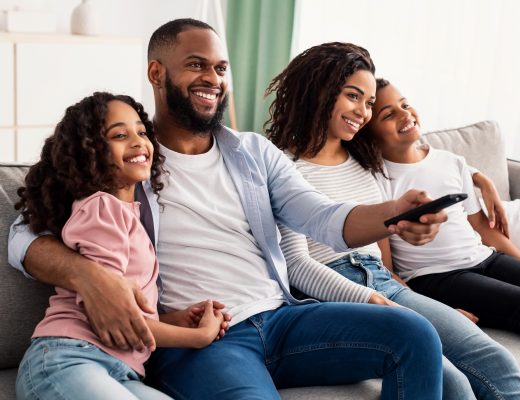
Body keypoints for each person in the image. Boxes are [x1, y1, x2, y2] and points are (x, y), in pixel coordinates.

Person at [8, 19, 450, 399]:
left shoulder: (253, 152)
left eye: (221, 68)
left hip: (283, 318)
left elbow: (323, 217)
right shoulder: (122, 163)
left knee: (414, 335)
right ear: (156, 72)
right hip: (206, 342)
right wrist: (91, 277)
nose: (213, 79)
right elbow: (24, 235)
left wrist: (394, 214)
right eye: (197, 65)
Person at [265, 41, 520, 400]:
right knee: (452, 384)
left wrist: (478, 177)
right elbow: (296, 266)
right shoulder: (283, 167)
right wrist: (375, 300)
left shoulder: (365, 160)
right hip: (334, 293)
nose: (363, 112)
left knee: (494, 358)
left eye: (369, 103)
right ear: (320, 91)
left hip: (388, 285)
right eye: (353, 96)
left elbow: (424, 162)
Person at [366, 78, 520, 399]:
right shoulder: (376, 182)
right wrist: (440, 311)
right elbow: (387, 270)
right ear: (371, 134)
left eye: (405, 104)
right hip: (437, 279)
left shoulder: (452, 162)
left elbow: (485, 232)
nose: (405, 114)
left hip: (485, 258)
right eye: (388, 114)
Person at [13, 92, 227, 400]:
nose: (139, 141)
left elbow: (129, 312)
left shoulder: (130, 216)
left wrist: (174, 318)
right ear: (90, 151)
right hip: (68, 360)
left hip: (120, 370)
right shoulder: (102, 210)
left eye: (142, 132)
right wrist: (197, 336)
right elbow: (116, 314)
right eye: (120, 135)